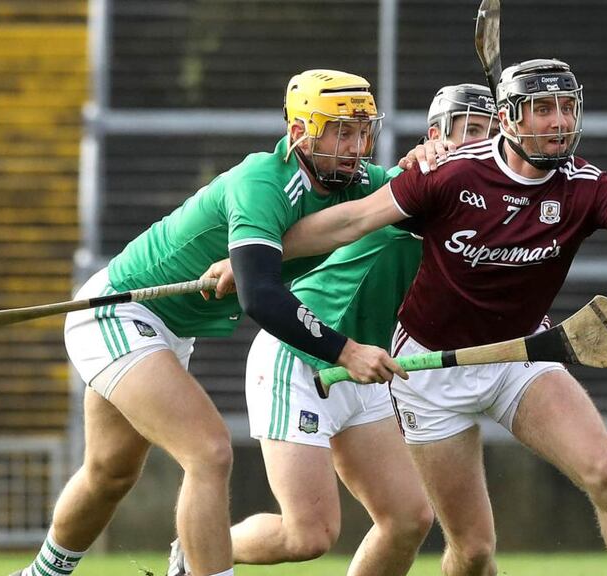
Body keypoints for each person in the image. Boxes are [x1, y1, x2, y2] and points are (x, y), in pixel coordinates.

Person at [280, 59, 607, 576]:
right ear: (510, 116)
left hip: (521, 354)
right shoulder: (450, 175)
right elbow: (349, 221)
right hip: (429, 371)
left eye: (567, 107)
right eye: (544, 108)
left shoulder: (583, 187)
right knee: (472, 553)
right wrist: (256, 255)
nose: (560, 121)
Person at [11, 69, 429, 576]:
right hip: (120, 310)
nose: (355, 145)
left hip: (168, 328)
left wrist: (431, 165)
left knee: (110, 473)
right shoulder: (262, 180)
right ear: (299, 133)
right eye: (340, 131)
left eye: (363, 131)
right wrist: (347, 352)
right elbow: (261, 297)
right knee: (208, 453)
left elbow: (420, 205)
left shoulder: (358, 181)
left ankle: (38, 575)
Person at [166, 83, 501, 576]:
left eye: (491, 136)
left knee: (408, 519)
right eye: (470, 131)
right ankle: (200, 548)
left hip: (363, 364)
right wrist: (250, 258)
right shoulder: (418, 183)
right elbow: (342, 221)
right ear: (437, 136)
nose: (479, 144)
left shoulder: (497, 212)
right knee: (308, 535)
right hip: (301, 355)